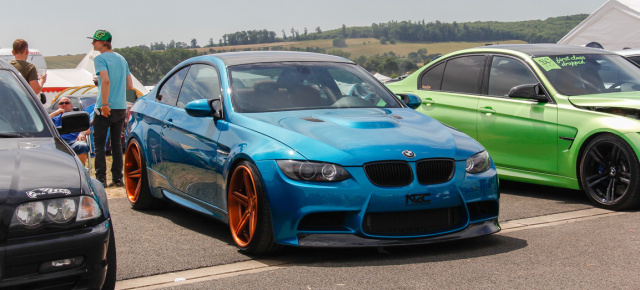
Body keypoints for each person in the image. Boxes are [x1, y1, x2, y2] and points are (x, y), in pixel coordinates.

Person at [89, 29, 133, 187]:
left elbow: (106, 81)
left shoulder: (100, 59)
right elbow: (130, 85)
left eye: (94, 41)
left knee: (99, 144)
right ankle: (118, 178)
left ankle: (101, 179)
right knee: (116, 144)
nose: (92, 43)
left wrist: (105, 103)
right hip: (121, 107)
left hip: (105, 106)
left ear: (103, 42)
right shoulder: (122, 59)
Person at [50, 97, 90, 165]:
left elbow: (88, 129)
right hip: (58, 142)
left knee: (82, 145)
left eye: (67, 103)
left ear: (71, 106)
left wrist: (82, 133)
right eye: (61, 103)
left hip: (74, 142)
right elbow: (42, 122)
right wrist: (56, 113)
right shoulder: (55, 119)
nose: (64, 104)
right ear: (58, 106)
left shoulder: (77, 117)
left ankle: (80, 170)